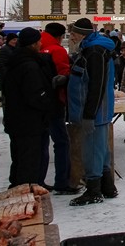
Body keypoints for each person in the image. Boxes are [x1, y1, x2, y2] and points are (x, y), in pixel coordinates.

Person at [67, 18, 117, 206]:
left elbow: (96, 85)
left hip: (95, 110)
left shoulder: (95, 51)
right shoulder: (93, 48)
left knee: (92, 150)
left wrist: (89, 114)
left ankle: (93, 190)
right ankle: (107, 187)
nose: (71, 36)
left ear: (82, 34)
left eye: (73, 33)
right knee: (101, 149)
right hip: (98, 109)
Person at [1, 27, 54, 187]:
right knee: (28, 162)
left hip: (16, 119)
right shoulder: (29, 65)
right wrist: (48, 102)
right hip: (29, 121)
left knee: (19, 159)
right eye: (38, 41)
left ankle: (18, 189)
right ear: (32, 44)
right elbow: (35, 95)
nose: (40, 44)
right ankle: (26, 196)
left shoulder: (15, 61)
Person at [40, 23, 78, 195]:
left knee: (41, 142)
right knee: (61, 142)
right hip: (55, 102)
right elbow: (64, 73)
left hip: (37, 104)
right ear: (60, 36)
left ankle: (38, 180)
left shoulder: (36, 46)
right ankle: (62, 181)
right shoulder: (57, 50)